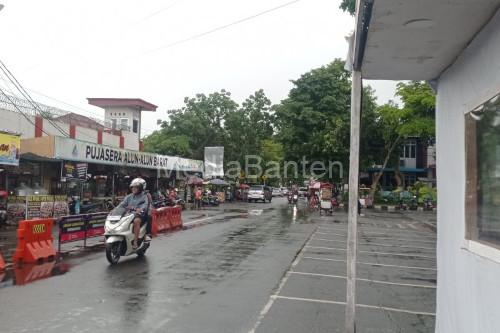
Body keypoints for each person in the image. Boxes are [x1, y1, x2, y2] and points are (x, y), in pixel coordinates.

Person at [117, 178, 150, 249]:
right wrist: (115, 210)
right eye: (133, 187)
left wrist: (141, 209)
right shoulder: (129, 196)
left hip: (140, 215)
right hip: (129, 215)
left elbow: (145, 206)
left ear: (141, 188)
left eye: (136, 187)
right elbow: (122, 204)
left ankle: (135, 241)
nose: (133, 189)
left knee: (136, 221)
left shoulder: (144, 196)